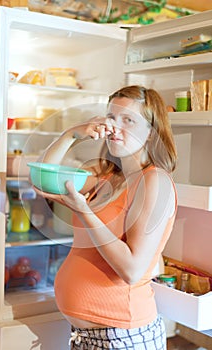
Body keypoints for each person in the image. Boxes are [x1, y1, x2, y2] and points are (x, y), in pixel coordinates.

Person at [33, 85, 177, 349]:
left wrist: (84, 212)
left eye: (128, 120)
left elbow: (131, 270)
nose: (113, 127)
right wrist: (71, 135)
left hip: (122, 338)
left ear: (151, 132)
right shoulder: (106, 174)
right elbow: (43, 179)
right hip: (88, 336)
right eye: (111, 117)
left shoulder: (155, 182)